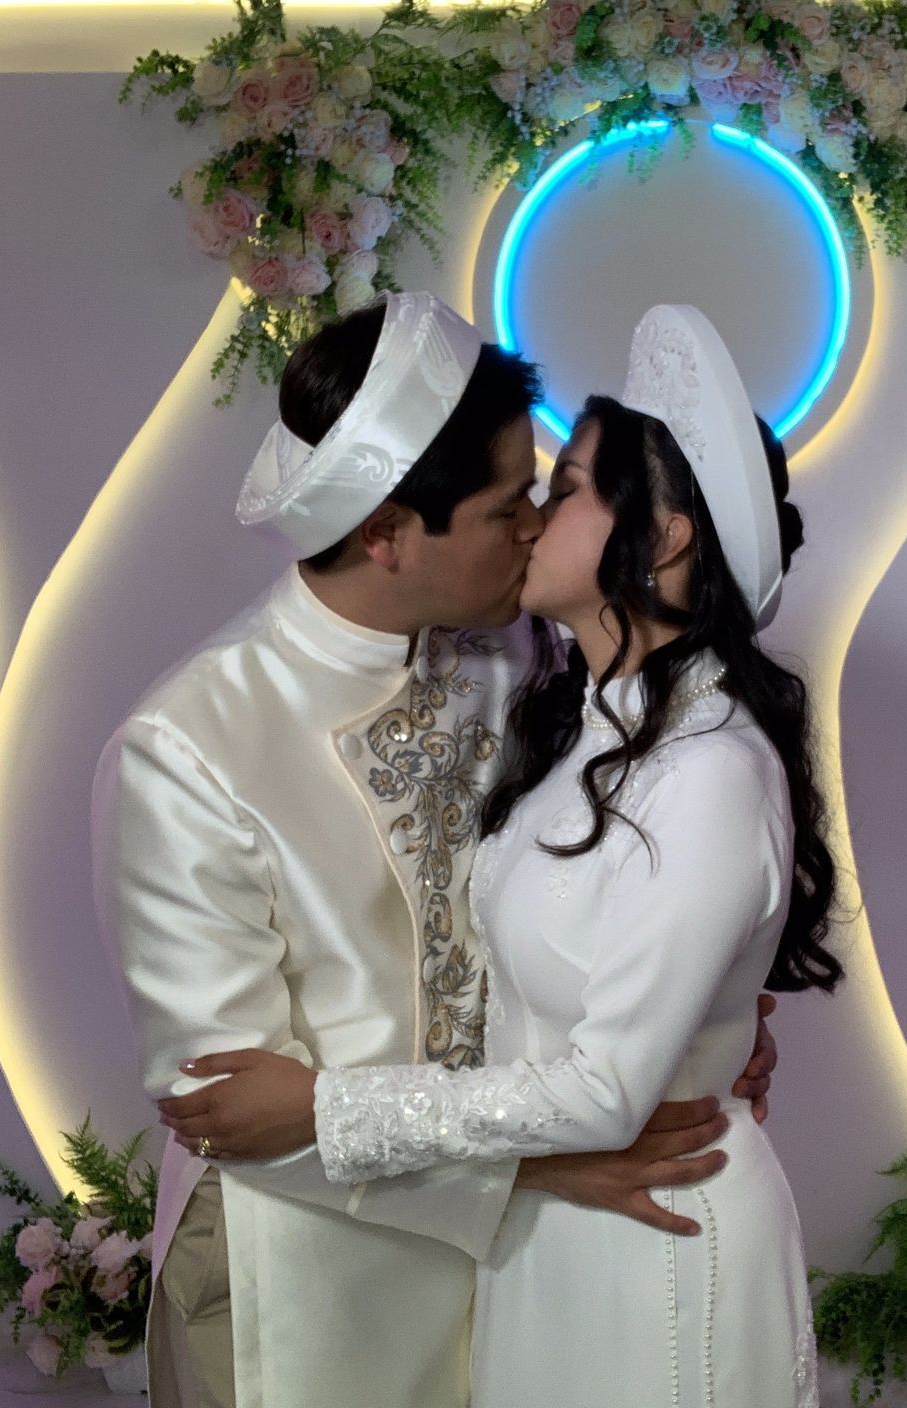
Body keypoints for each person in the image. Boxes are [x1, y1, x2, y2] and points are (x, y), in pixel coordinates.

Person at [94, 292, 776, 1408]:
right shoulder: (188, 748)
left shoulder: (523, 652)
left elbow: (667, 812)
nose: (536, 530)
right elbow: (236, 1107)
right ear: (386, 533)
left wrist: (704, 1008)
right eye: (514, 505)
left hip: (526, 1280)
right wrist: (542, 1168)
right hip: (302, 1287)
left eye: (548, 492)